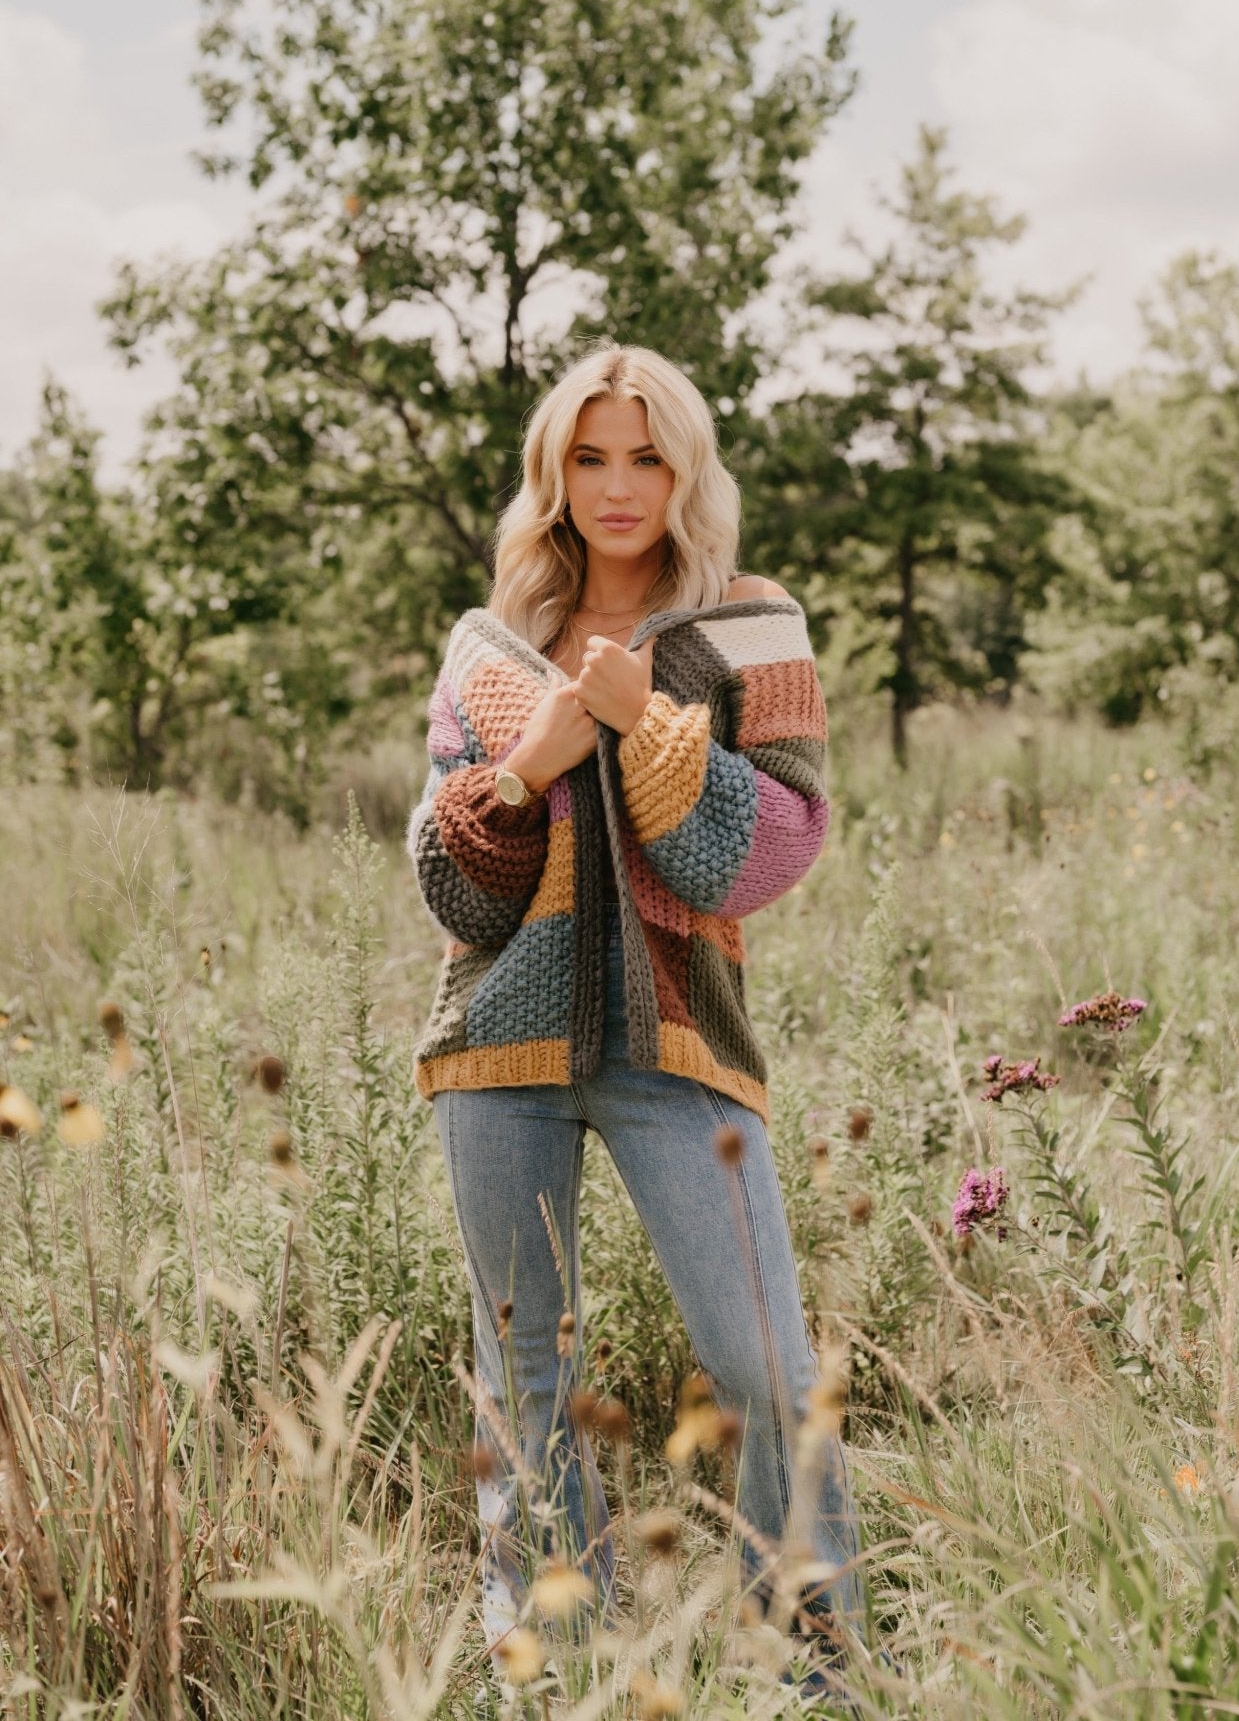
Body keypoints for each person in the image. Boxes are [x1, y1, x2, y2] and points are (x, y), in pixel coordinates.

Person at [405, 340, 870, 1693]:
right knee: (525, 1381)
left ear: (686, 468)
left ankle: (822, 1674)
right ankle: (549, 1669)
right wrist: (526, 768)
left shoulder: (747, 625)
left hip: (680, 1054)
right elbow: (455, 894)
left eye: (648, 455)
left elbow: (769, 851)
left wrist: (648, 728)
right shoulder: (487, 655)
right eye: (592, 457)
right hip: (499, 1052)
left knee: (765, 1370)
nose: (619, 486)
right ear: (553, 474)